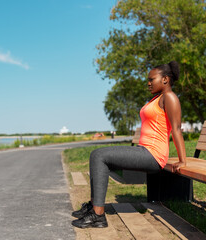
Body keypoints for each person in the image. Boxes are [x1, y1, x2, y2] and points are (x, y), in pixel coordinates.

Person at [71, 61, 187, 228]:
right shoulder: (157, 98)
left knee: (99, 155)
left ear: (165, 79)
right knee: (97, 154)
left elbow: (176, 129)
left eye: (151, 79)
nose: (148, 83)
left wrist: (183, 160)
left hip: (153, 155)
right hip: (143, 150)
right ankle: (94, 206)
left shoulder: (170, 97)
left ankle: (97, 215)